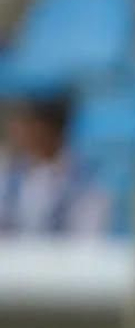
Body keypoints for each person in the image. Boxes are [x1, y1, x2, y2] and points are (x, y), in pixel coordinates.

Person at [0, 96, 112, 236]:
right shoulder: (9, 173)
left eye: (28, 125)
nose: (18, 133)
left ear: (49, 128)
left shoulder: (87, 182)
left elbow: (87, 238)